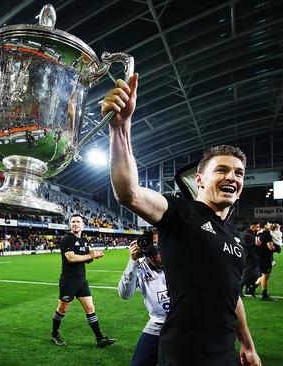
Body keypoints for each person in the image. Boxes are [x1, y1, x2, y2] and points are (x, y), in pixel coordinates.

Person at [103, 74, 261, 365]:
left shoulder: (236, 237)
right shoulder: (180, 213)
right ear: (199, 180)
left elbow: (232, 295)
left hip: (225, 355)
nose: (232, 177)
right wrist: (120, 128)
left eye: (239, 173)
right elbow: (130, 194)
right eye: (222, 170)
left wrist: (248, 345)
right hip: (183, 355)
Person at [50, 214, 117, 348]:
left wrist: (95, 255)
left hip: (81, 281)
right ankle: (54, 334)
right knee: (62, 309)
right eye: (73, 221)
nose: (75, 223)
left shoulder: (84, 240)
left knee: (90, 308)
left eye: (78, 221)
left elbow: (87, 258)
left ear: (83, 225)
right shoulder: (66, 239)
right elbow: (72, 258)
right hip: (69, 281)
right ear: (70, 225)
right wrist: (90, 255)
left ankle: (99, 339)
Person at [118, 235, 169, 366]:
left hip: (184, 324)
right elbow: (125, 294)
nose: (156, 252)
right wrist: (132, 262)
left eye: (159, 244)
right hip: (157, 324)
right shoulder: (140, 267)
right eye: (152, 246)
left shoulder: (179, 261)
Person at [251, 222, 281, 300]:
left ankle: (252, 288)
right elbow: (270, 248)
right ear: (264, 226)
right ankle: (264, 295)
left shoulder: (258, 234)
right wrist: (277, 248)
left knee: (266, 275)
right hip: (265, 257)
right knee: (265, 275)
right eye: (268, 224)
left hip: (259, 256)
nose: (269, 225)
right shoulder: (266, 235)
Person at [240, 223, 260, 297]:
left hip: (253, 257)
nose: (258, 228)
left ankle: (248, 290)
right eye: (257, 227)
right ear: (252, 227)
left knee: (252, 275)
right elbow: (244, 245)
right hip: (248, 257)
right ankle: (239, 290)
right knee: (247, 274)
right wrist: (255, 245)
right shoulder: (247, 235)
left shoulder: (253, 234)